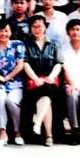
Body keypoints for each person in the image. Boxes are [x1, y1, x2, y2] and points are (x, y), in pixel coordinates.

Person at [23, 14, 64, 146]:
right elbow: (25, 63)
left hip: (50, 80)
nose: (37, 29)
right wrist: (35, 78)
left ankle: (38, 121)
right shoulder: (26, 45)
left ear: (45, 27)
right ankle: (48, 136)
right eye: (34, 27)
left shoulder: (54, 44)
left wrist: (51, 76)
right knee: (45, 95)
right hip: (33, 81)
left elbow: (58, 63)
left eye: (40, 26)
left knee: (47, 91)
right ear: (30, 28)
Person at [0, 19, 26, 147]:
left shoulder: (18, 44)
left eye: (6, 31)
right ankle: (2, 133)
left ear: (10, 32)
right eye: (0, 31)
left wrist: (7, 78)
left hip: (15, 82)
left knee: (11, 101)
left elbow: (20, 65)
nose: (3, 34)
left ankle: (18, 132)